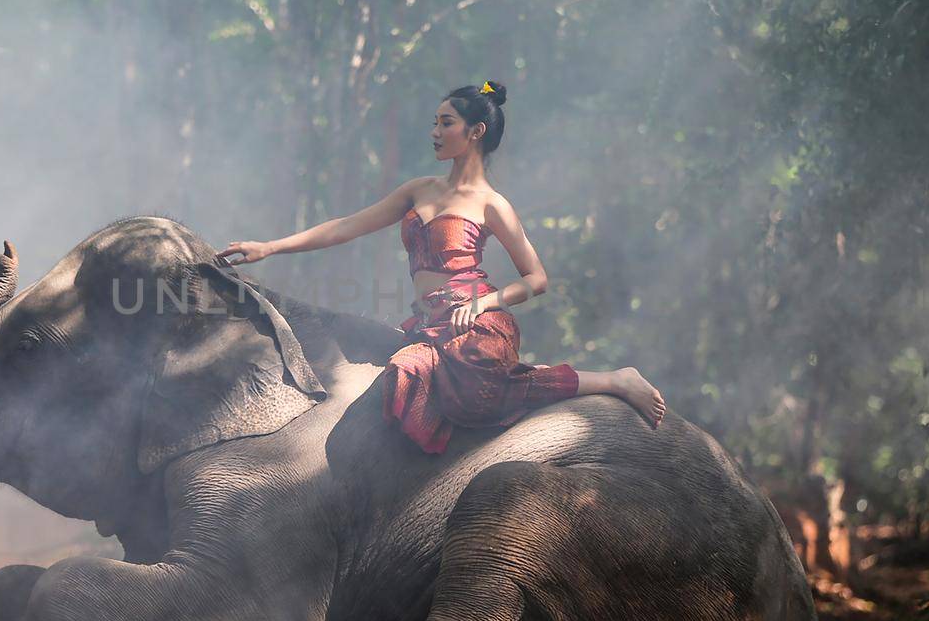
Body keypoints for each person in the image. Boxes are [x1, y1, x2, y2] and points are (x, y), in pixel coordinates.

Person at [214, 80, 666, 454]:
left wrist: (485, 300)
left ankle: (614, 379)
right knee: (400, 374)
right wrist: (269, 246)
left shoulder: (492, 204)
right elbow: (346, 227)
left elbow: (538, 278)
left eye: (445, 123)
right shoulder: (419, 190)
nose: (434, 131)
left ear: (475, 131)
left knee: (478, 392)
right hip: (431, 325)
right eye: (434, 122)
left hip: (480, 323)